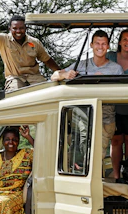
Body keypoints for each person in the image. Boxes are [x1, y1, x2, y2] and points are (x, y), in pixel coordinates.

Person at [52, 30, 123, 161]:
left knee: (97, 155)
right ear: (91, 45)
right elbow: (54, 76)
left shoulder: (116, 69)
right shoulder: (81, 64)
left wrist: (104, 82)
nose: (100, 47)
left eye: (103, 44)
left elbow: (122, 93)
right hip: (84, 115)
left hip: (105, 117)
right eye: (97, 43)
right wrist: (65, 75)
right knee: (84, 153)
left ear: (108, 46)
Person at [0, 4, 61, 92]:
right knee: (15, 95)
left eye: (21, 28)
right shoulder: (3, 40)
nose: (18, 31)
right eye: (15, 28)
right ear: (10, 29)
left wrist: (61, 72)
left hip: (34, 77)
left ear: (26, 28)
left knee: (48, 92)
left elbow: (47, 60)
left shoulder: (34, 42)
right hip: (15, 78)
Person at [106, 30, 128, 181]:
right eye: (125, 39)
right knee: (116, 141)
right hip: (114, 107)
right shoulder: (110, 57)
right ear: (119, 42)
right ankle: (116, 175)